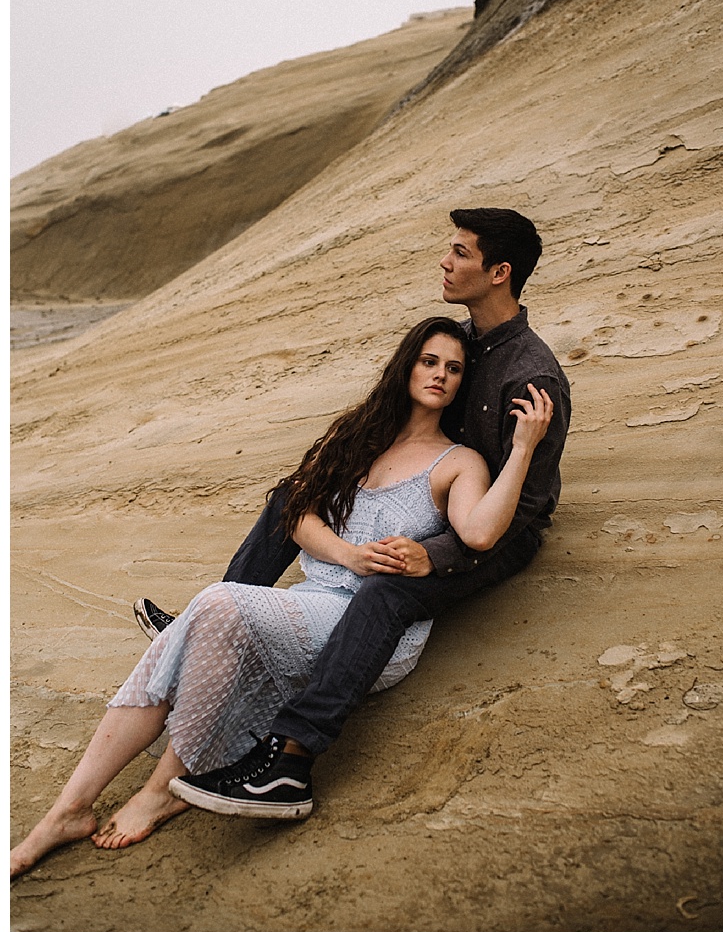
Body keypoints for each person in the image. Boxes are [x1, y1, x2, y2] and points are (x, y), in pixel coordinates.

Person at [11, 315, 555, 877]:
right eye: (429, 361)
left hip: (367, 628)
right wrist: (349, 553)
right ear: (407, 364)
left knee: (219, 605)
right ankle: (67, 810)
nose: (440, 375)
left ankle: (160, 788)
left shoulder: (458, 461)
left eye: (455, 369)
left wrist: (521, 449)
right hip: (313, 596)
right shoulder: (359, 435)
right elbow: (293, 510)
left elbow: (481, 533)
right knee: (206, 626)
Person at [136, 207, 570, 818]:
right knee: (294, 496)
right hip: (443, 495)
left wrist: (436, 553)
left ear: (498, 273)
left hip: (495, 534)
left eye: (460, 254)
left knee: (387, 589)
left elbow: (524, 507)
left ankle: (290, 760)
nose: (446, 262)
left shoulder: (530, 375)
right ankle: (219, 616)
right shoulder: (466, 340)